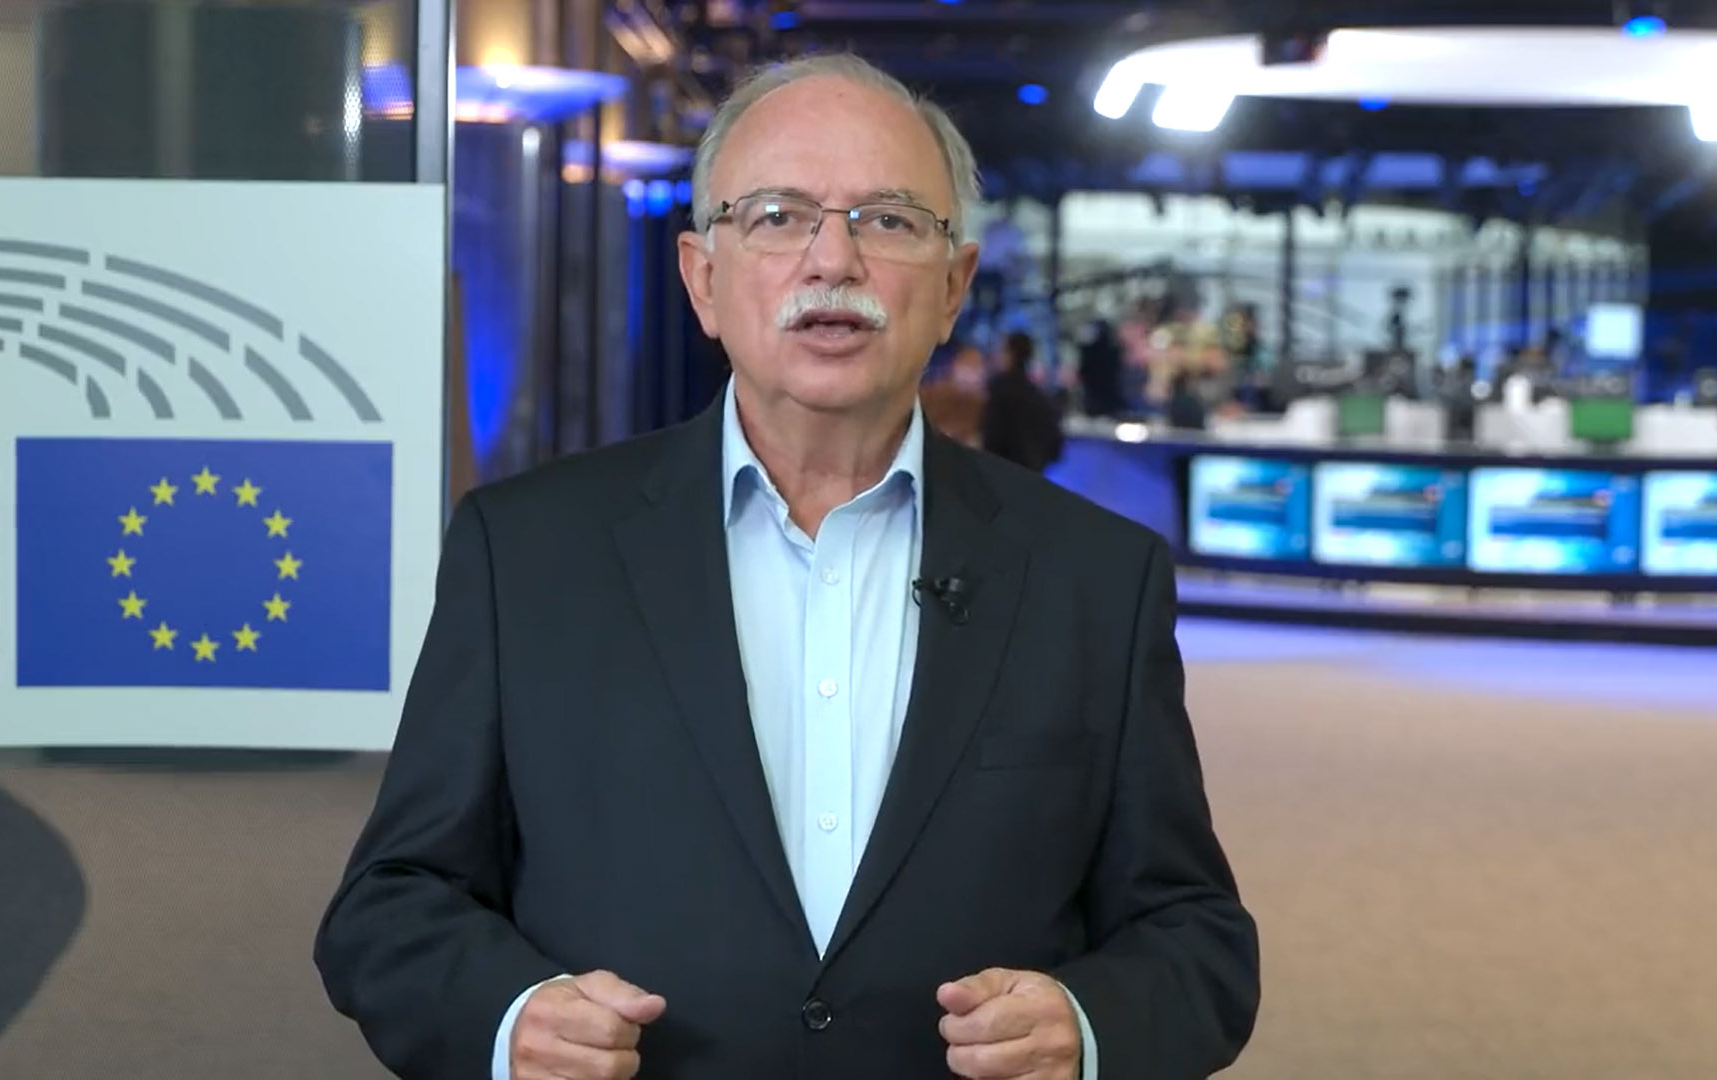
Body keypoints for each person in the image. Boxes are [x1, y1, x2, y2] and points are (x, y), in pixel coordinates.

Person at [314, 52, 1258, 1080]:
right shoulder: (526, 551)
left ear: (954, 287)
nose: (833, 260)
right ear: (701, 279)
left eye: (889, 219)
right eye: (776, 216)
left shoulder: (1097, 577)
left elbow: (1196, 938)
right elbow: (390, 905)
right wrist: (507, 1020)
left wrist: (1086, 1024)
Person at [980, 331, 1064, 472]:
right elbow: (1055, 447)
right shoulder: (1040, 397)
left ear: (1010, 354)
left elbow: (992, 439)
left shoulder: (998, 391)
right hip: (1032, 475)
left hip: (1000, 474)